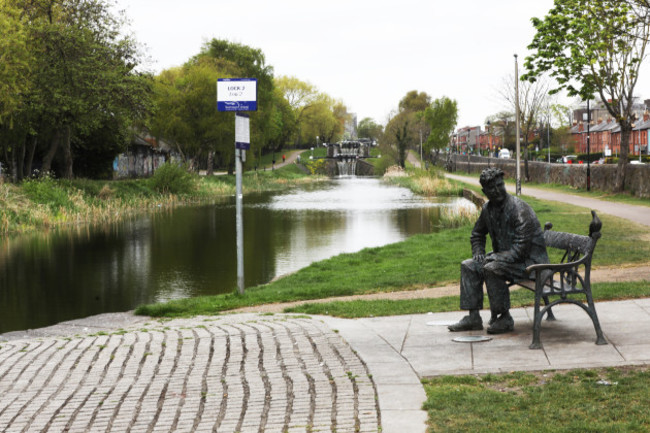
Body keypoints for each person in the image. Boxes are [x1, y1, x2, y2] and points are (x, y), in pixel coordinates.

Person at [448, 168, 549, 334]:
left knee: (491, 268)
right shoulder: (487, 209)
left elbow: (520, 250)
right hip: (508, 261)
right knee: (469, 266)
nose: (497, 190)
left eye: (500, 185)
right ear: (484, 191)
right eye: (491, 188)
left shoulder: (519, 210)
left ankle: (504, 317)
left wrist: (494, 257)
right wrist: (479, 253)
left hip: (531, 265)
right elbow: (477, 234)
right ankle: (473, 317)